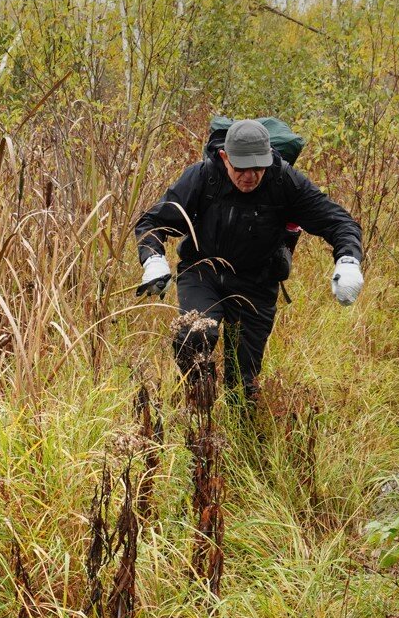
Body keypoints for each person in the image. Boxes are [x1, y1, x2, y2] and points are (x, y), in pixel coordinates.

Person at [134, 118, 365, 406]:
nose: (250, 177)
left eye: (258, 168)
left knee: (243, 387)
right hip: (203, 273)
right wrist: (153, 259)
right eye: (241, 169)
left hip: (257, 282)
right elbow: (153, 221)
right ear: (224, 157)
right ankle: (199, 406)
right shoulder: (203, 177)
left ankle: (238, 425)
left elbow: (339, 222)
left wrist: (348, 260)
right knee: (196, 336)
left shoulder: (284, 181)